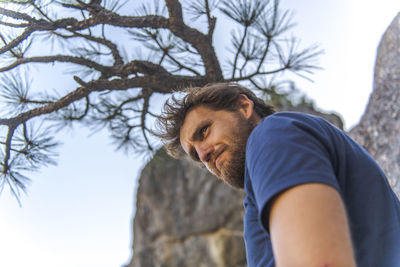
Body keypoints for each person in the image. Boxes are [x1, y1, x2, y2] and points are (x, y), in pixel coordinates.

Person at [155, 83, 400, 267]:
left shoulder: (271, 135)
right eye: (196, 156)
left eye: (205, 131)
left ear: (244, 106)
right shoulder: (264, 178)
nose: (204, 154)